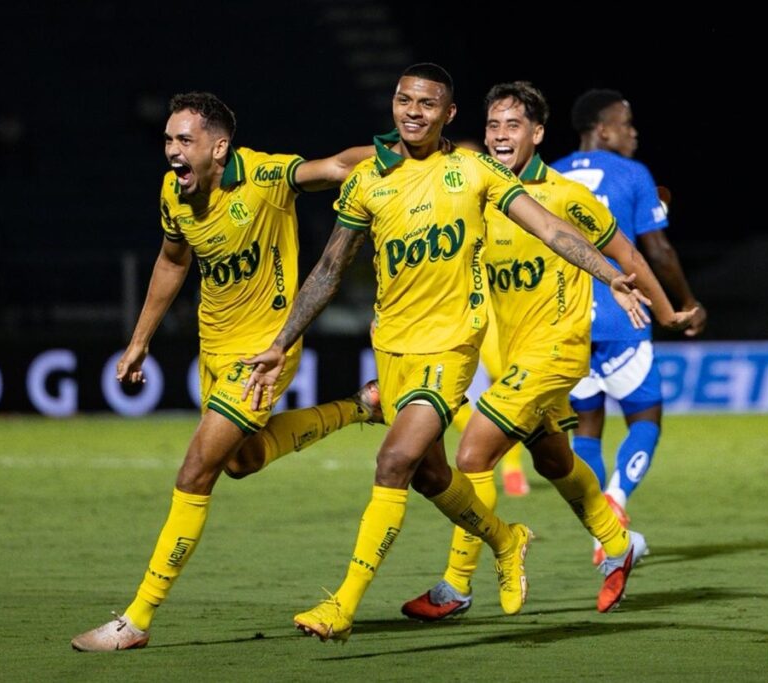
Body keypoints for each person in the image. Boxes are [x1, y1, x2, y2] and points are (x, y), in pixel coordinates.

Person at [240, 64, 650, 642]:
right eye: (405, 100)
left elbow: (552, 229)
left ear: (447, 115)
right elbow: (330, 269)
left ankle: (345, 604)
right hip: (394, 349)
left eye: (428, 104)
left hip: (453, 347)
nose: (413, 111)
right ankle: (510, 540)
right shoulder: (368, 181)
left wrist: (611, 275)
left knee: (395, 462)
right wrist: (280, 343)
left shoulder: (475, 170)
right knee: (446, 474)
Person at [70, 92, 380, 651]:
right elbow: (172, 260)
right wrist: (140, 340)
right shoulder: (174, 192)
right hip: (211, 351)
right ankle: (360, 406)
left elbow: (338, 165)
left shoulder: (264, 176)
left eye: (183, 140)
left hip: (265, 352)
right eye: (167, 139)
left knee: (195, 472)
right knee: (242, 460)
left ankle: (135, 621)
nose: (171, 151)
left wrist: (410, 152)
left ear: (219, 146)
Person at [399, 81, 696, 621]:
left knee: (472, 454)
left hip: (557, 352)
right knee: (555, 458)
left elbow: (627, 249)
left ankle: (456, 585)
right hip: (513, 354)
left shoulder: (564, 196)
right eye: (493, 126)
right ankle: (618, 543)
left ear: (537, 134)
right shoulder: (479, 196)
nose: (500, 135)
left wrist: (667, 309)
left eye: (513, 125)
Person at [551, 90, 707, 563]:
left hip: (566, 322)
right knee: (645, 420)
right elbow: (656, 250)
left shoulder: (550, 174)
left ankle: (602, 530)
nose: (633, 132)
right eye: (626, 123)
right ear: (602, 129)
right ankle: (616, 501)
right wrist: (685, 303)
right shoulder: (632, 174)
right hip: (625, 317)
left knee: (587, 431)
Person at [451, 138, 530, 496]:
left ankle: (511, 466)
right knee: (445, 395)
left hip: (497, 309)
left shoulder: (501, 204)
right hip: (453, 311)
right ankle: (483, 446)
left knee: (505, 386)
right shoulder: (441, 205)